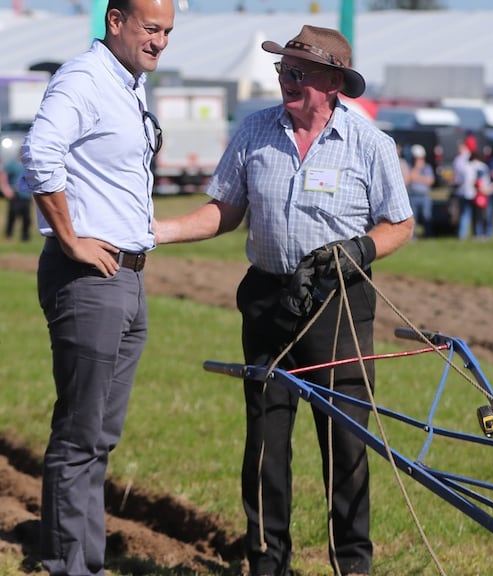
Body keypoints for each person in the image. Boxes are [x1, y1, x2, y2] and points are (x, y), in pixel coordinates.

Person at [153, 25, 413, 576]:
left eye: (297, 73)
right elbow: (226, 210)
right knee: (267, 442)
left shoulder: (371, 144)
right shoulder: (254, 131)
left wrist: (359, 249)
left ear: (333, 82)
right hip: (268, 302)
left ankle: (352, 565)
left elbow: (401, 223)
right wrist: (160, 231)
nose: (286, 82)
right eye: (282, 72)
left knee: (346, 443)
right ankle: (268, 564)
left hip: (338, 304)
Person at [19, 0, 175, 574]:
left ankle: (86, 560)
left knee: (101, 435)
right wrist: (71, 238)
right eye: (151, 28)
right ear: (116, 21)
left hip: (128, 275)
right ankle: (67, 563)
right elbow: (39, 154)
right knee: (80, 431)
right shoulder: (84, 78)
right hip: (89, 276)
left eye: (168, 32)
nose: (160, 41)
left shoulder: (128, 84)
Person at [405, 143, 435, 239]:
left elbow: (430, 180)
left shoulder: (427, 167)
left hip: (424, 195)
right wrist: (417, 169)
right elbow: (408, 179)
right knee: (413, 219)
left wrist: (417, 178)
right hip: (413, 195)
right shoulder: (410, 167)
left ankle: (428, 235)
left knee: (427, 216)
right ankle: (412, 237)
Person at [2, 154, 31, 242]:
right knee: (13, 214)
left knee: (26, 217)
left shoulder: (28, 165)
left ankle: (25, 237)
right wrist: (6, 188)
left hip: (26, 195)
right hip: (15, 194)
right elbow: (3, 175)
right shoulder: (13, 164)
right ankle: (8, 234)